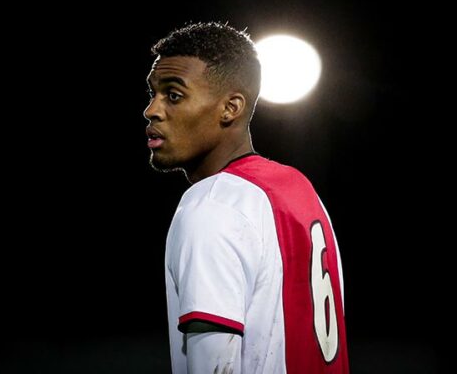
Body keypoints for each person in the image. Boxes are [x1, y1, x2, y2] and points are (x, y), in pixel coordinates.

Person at [144, 21, 349, 373]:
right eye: (153, 93)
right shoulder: (299, 189)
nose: (152, 110)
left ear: (231, 107)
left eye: (173, 95)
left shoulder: (211, 206)